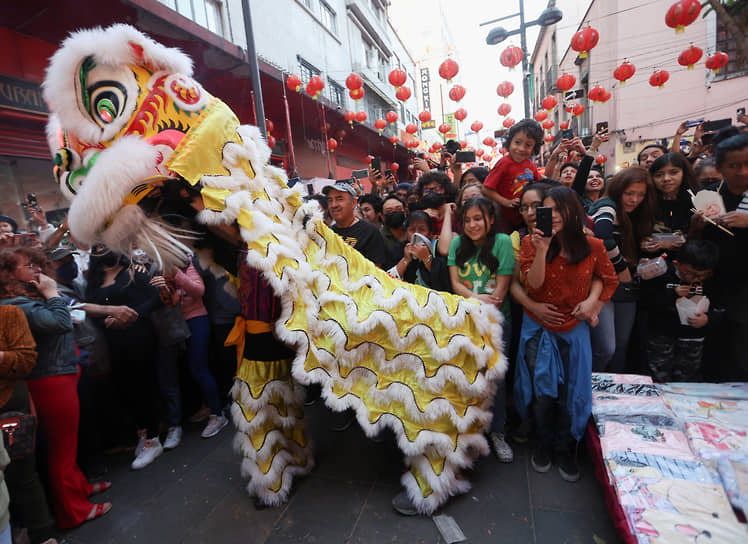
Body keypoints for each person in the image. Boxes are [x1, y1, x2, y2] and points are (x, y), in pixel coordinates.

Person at [0, 248, 112, 529]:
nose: (36, 270)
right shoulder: (18, 304)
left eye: (37, 264)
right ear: (8, 274)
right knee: (61, 449)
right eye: (28, 266)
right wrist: (52, 294)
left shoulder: (25, 299)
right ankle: (73, 511)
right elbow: (61, 323)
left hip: (58, 374)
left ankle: (79, 489)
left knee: (67, 444)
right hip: (49, 380)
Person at [515, 186, 618, 482]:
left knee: (571, 392)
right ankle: (544, 443)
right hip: (538, 328)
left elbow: (609, 280)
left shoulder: (593, 245)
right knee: (542, 392)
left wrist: (592, 305)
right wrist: (543, 249)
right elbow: (533, 286)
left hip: (574, 330)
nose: (554, 217)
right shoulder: (530, 243)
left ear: (575, 211)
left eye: (561, 210)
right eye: (548, 210)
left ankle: (565, 447)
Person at [448, 196, 515, 463]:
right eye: (467, 220)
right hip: (465, 322)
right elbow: (455, 284)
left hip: (496, 323)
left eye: (478, 218)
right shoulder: (456, 243)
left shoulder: (503, 242)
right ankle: (467, 433)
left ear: (490, 219)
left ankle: (498, 432)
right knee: (466, 379)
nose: (473, 225)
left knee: (495, 380)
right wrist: (475, 301)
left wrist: (482, 302)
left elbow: (499, 294)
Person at [85, 246, 163, 469]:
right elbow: (91, 309)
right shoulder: (94, 278)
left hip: (140, 337)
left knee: (144, 386)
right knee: (126, 388)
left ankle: (154, 438)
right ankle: (143, 433)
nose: (101, 250)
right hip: (113, 343)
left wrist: (130, 317)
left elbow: (154, 300)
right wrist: (107, 320)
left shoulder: (133, 271)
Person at [691, 131, 748, 380]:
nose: (742, 172)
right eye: (734, 165)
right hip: (716, 286)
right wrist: (696, 226)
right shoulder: (709, 195)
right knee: (716, 358)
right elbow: (693, 243)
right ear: (719, 166)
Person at [589, 167, 657, 372]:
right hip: (602, 286)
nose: (634, 199)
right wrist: (621, 268)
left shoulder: (636, 214)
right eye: (629, 193)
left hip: (627, 290)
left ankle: (618, 392)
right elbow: (602, 237)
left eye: (640, 195)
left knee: (621, 347)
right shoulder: (607, 205)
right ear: (618, 190)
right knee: (606, 348)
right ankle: (591, 386)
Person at [153, 258, 228, 439]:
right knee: (188, 370)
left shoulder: (185, 264)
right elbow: (169, 301)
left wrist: (176, 273)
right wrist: (162, 286)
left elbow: (198, 290)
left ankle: (217, 414)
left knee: (199, 367)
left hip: (196, 320)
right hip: (174, 325)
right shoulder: (157, 272)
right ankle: (207, 406)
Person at [640, 240, 721, 382]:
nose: (696, 279)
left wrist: (707, 319)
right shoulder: (662, 272)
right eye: (690, 273)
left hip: (693, 338)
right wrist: (672, 295)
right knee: (659, 377)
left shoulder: (711, 281)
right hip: (662, 336)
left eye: (702, 275)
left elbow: (720, 308)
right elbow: (646, 301)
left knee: (687, 378)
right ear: (677, 264)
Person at [482, 119, 543, 231]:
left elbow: (541, 184)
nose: (521, 149)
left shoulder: (530, 165)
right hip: (505, 220)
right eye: (517, 142)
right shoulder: (504, 163)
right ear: (509, 142)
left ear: (534, 148)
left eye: (528, 145)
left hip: (526, 218)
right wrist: (506, 202)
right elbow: (486, 189)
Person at [323, 182, 387, 267]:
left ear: (353, 202)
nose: (333, 205)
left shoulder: (369, 231)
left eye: (339, 199)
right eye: (330, 200)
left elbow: (376, 269)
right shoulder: (327, 233)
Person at [388, 211, 450, 291]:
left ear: (430, 234)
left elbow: (445, 282)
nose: (416, 234)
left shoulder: (438, 247)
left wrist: (427, 259)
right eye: (412, 230)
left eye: (422, 230)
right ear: (406, 232)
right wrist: (405, 260)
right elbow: (388, 281)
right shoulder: (398, 249)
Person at [647, 152, 697, 241]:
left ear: (684, 173)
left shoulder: (696, 199)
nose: (666, 179)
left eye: (673, 172)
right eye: (659, 175)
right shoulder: (647, 201)